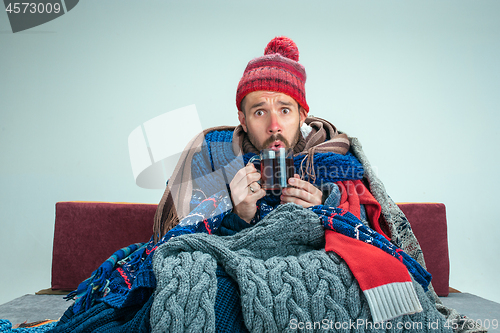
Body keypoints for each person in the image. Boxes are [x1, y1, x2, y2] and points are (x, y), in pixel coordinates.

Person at [51, 36, 482, 333]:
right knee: (193, 279)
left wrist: (324, 210)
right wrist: (234, 216)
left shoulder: (334, 157)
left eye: (285, 109)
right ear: (242, 117)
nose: (274, 124)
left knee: (341, 280)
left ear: (302, 114)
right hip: (235, 261)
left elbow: (372, 235)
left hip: (310, 260)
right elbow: (172, 241)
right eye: (259, 111)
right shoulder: (213, 155)